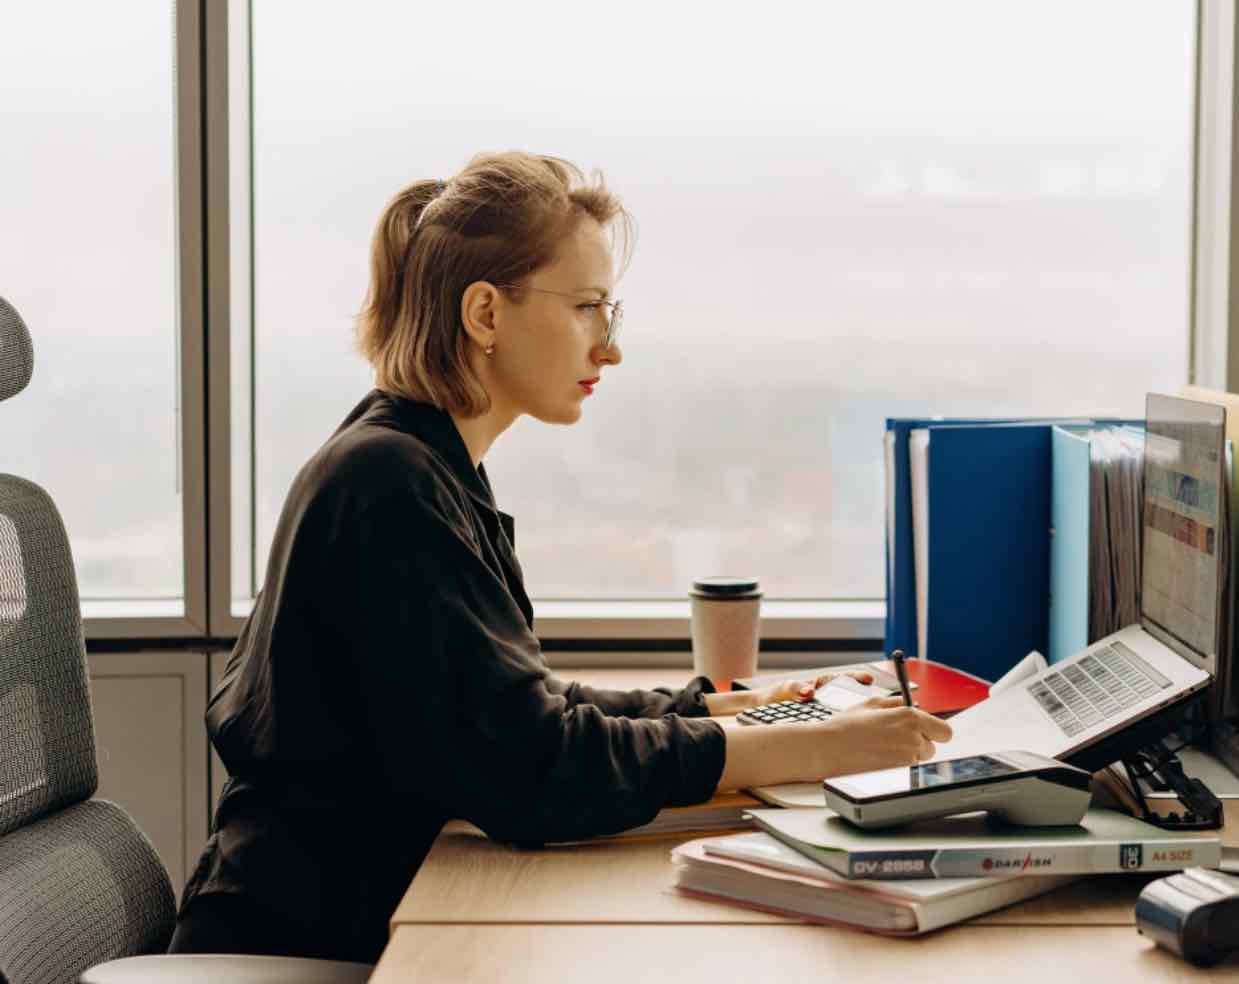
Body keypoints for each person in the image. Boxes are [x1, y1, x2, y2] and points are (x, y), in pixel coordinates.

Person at [169, 151, 952, 964]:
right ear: (484, 314)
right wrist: (814, 747)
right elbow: (534, 767)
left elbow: (517, 709)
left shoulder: (425, 467)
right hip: (307, 947)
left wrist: (736, 706)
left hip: (359, 918)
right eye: (586, 308)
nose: (608, 350)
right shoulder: (388, 484)